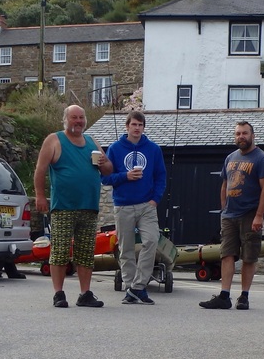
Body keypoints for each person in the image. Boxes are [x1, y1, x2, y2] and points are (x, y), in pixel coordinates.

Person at [33, 105, 113, 308]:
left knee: (86, 253)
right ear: (66, 120)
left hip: (89, 207)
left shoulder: (91, 141)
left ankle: (85, 293)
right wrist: (40, 196)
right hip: (64, 206)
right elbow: (40, 170)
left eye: (81, 117)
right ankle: (58, 294)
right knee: (59, 251)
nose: (78, 121)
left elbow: (108, 171)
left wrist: (104, 162)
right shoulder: (54, 139)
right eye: (74, 117)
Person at [200, 121, 264, 310]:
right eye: (238, 134)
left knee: (249, 256)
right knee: (227, 254)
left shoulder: (262, 159)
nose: (241, 137)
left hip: (250, 213)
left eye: (245, 133)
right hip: (229, 215)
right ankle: (224, 296)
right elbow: (225, 184)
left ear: (252, 135)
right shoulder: (230, 158)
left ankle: (244, 296)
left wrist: (259, 215)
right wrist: (224, 208)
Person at [101, 111, 167, 305]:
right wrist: (125, 176)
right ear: (127, 126)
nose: (137, 128)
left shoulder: (154, 149)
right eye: (134, 124)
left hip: (147, 205)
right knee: (126, 248)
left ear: (143, 127)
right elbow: (105, 178)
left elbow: (160, 176)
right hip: (123, 205)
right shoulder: (114, 149)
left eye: (140, 125)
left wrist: (155, 200)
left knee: (151, 241)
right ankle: (131, 287)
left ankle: (138, 286)